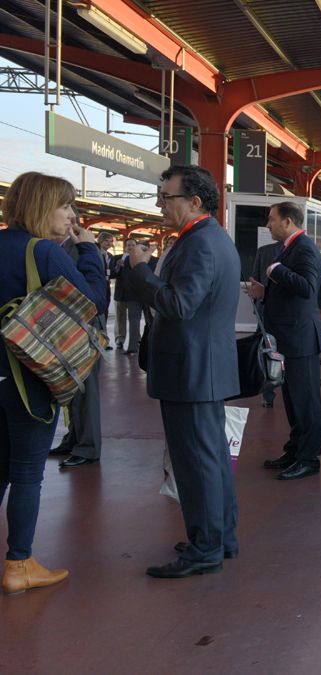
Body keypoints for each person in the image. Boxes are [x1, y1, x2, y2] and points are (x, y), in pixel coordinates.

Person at [125, 165, 240, 579]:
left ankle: (205, 547)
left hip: (191, 369)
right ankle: (219, 536)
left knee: (197, 461)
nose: (160, 204)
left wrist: (140, 270)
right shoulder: (209, 238)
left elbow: (178, 305)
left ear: (194, 202)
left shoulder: (199, 244)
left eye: (167, 197)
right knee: (209, 458)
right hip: (201, 368)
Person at [0, 172, 107, 594]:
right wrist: (89, 251)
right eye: (65, 206)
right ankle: (19, 564)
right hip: (30, 380)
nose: (71, 215)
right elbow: (93, 303)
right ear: (43, 207)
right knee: (27, 472)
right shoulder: (42, 251)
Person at [247, 202, 321, 481]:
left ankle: (308, 458)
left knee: (306, 401)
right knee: (292, 400)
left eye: (272, 220)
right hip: (288, 338)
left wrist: (277, 270)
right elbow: (290, 293)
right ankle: (294, 450)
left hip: (301, 340)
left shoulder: (304, 248)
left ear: (288, 221)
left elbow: (307, 288)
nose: (268, 225)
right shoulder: (289, 248)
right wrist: (264, 292)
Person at [49, 225, 111, 468]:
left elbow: (92, 292)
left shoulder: (80, 250)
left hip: (84, 331)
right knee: (75, 391)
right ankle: (74, 438)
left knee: (87, 392)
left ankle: (88, 446)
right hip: (69, 330)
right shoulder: (63, 248)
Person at [250, 239, 282, 408]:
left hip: (264, 310)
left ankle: (267, 394)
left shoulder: (263, 251)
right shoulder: (296, 250)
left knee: (266, 351)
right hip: (285, 314)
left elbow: (254, 280)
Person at [112, 237, 143, 354]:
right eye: (128, 245)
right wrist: (118, 267)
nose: (130, 247)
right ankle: (120, 339)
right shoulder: (117, 258)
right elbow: (112, 274)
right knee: (120, 317)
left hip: (134, 294)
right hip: (120, 293)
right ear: (125, 247)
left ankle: (136, 339)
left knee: (134, 318)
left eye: (132, 245)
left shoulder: (139, 258)